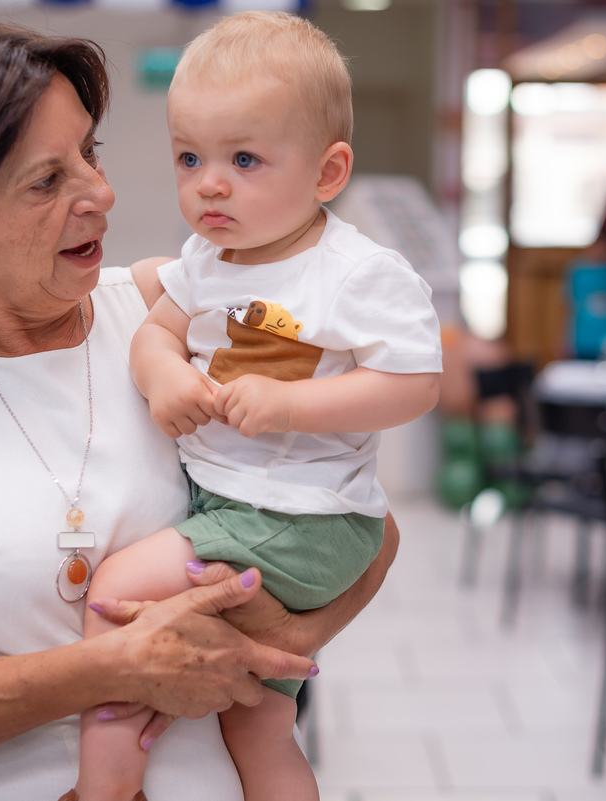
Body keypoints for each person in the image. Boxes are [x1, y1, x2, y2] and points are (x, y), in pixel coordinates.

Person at [0, 20, 399, 801]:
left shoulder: (168, 311)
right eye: (46, 181)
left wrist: (282, 645)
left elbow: (367, 528)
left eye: (91, 153)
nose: (100, 194)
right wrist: (117, 667)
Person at [76, 13, 442, 801]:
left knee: (113, 593)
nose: (209, 182)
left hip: (301, 516)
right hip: (242, 504)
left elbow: (415, 384)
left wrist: (293, 404)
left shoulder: (355, 273)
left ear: (328, 171)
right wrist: (161, 373)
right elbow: (154, 334)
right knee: (259, 724)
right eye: (189, 156)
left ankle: (103, 787)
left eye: (244, 159)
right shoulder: (209, 259)